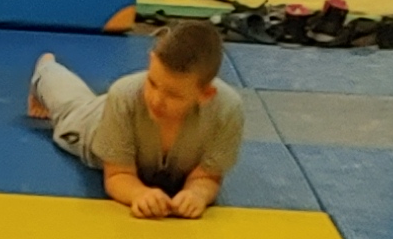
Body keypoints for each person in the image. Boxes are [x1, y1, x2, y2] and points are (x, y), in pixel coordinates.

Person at [29, 19, 244, 219]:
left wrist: (197, 194)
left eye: (173, 95)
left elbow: (208, 176)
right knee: (70, 106)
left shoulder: (227, 111)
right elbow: (117, 175)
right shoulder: (124, 95)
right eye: (152, 82)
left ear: (206, 95)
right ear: (151, 61)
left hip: (133, 121)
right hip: (97, 122)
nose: (156, 100)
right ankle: (47, 68)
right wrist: (138, 194)